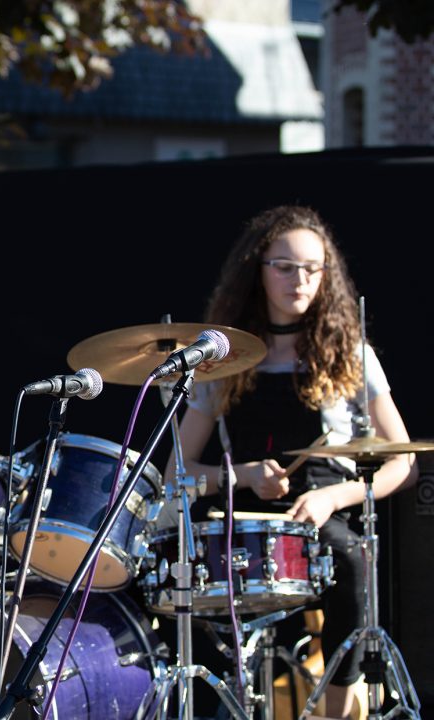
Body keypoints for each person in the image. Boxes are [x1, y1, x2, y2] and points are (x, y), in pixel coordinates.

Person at [169, 205, 416, 718]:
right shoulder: (223, 358)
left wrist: (333, 497)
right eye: (284, 267)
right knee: (179, 569)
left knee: (352, 560)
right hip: (243, 517)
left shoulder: (352, 354)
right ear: (257, 271)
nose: (299, 280)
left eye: (311, 268)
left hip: (323, 517)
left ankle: (337, 709)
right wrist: (242, 476)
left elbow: (403, 462)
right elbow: (177, 472)